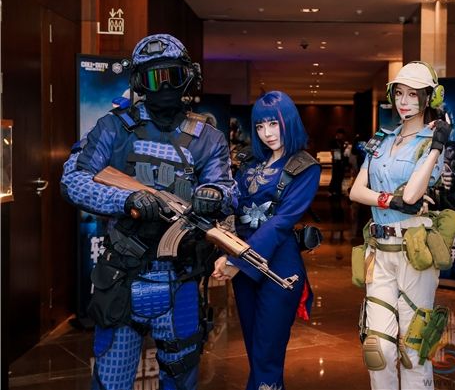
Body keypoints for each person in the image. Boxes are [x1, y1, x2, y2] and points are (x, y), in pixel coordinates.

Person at [61, 33, 237, 390]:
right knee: (111, 378)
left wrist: (213, 194)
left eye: (173, 75)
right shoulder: (113, 127)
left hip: (181, 275)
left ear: (188, 77)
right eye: (156, 78)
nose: (166, 86)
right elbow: (72, 179)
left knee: (181, 377)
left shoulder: (208, 137)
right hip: (123, 274)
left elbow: (227, 187)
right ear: (140, 82)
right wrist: (124, 201)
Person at [349, 61, 455, 390]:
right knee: (377, 350)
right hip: (379, 251)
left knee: (414, 350)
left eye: (413, 94)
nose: (404, 101)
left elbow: (411, 195)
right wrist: (388, 200)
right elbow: (356, 191)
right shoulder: (381, 140)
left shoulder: (431, 142)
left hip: (414, 252)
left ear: (429, 97)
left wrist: (437, 145)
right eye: (399, 93)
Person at [212, 91, 321, 390]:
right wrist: (226, 251)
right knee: (256, 353)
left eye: (274, 123)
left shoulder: (306, 166)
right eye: (260, 126)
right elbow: (233, 210)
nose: (267, 133)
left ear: (288, 122)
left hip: (279, 267)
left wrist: (237, 261)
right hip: (243, 264)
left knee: (267, 354)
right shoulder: (248, 161)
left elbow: (281, 222)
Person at [329, 127, 348, 197]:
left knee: (340, 176)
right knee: (335, 176)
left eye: (342, 135)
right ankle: (332, 190)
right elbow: (333, 151)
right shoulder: (333, 141)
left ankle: (338, 191)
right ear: (337, 134)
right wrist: (336, 158)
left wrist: (345, 147)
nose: (341, 136)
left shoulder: (342, 142)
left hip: (341, 161)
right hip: (336, 161)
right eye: (340, 134)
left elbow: (342, 151)